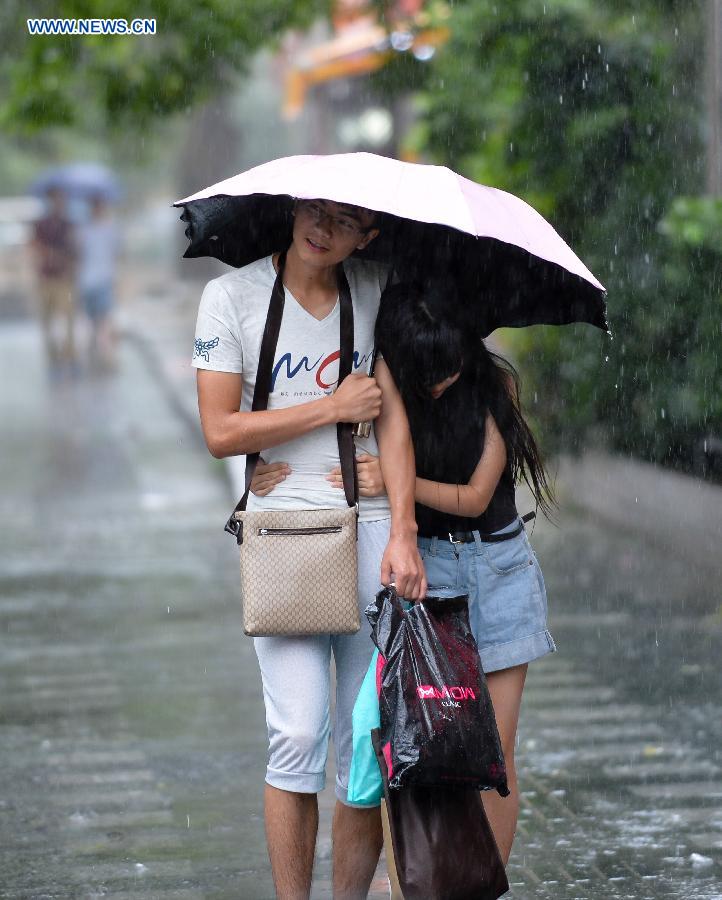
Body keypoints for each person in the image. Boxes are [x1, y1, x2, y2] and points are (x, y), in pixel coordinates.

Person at [251, 279, 556, 866]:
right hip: (428, 572)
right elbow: (310, 441)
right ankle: (418, 883)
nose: (440, 382)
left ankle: (483, 884)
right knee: (425, 755)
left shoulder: (496, 385)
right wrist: (258, 472)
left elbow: (474, 496)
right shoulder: (388, 388)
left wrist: (395, 482)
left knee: (497, 754)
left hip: (499, 567)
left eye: (451, 365)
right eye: (429, 371)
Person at [191, 197, 426, 900]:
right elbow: (219, 430)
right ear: (293, 214)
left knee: (368, 750)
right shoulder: (229, 297)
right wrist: (330, 407)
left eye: (347, 222)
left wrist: (408, 530)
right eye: (315, 214)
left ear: (369, 236)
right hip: (283, 534)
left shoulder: (376, 288)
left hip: (373, 529)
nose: (325, 230)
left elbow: (397, 422)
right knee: (296, 737)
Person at [30, 188, 78, 373]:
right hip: (45, 279)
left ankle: (70, 356)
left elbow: (74, 250)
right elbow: (35, 247)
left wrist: (62, 260)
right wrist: (49, 255)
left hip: (63, 278)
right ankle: (53, 360)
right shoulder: (41, 224)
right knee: (47, 321)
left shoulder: (69, 225)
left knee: (68, 320)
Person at [76, 194, 119, 371]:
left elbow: (117, 253)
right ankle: (98, 357)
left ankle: (104, 357)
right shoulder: (85, 230)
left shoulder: (108, 229)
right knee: (94, 322)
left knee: (103, 321)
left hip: (102, 280)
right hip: (88, 281)